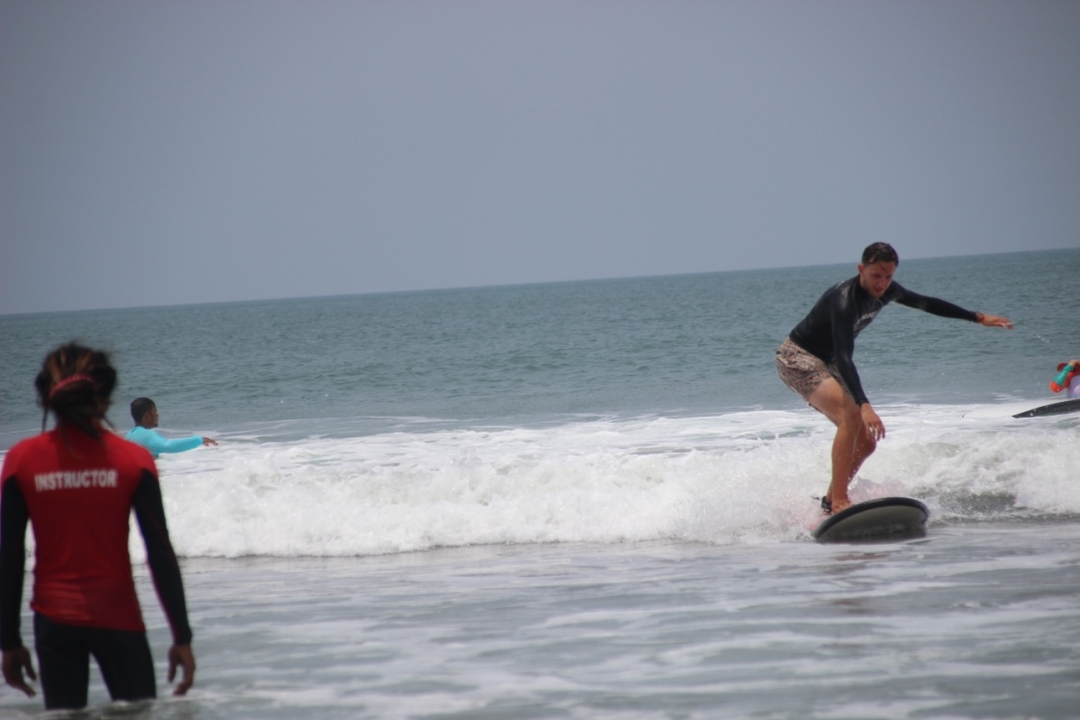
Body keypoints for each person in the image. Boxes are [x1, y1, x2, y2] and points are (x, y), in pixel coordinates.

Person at [1, 343, 196, 710]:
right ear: (105, 398)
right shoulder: (133, 461)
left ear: (46, 397)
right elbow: (160, 553)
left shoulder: (20, 462)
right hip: (119, 618)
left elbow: (8, 559)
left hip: (53, 625)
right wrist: (181, 637)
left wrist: (9, 642)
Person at [775, 242, 1013, 515]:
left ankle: (830, 499)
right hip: (797, 357)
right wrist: (864, 404)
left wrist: (978, 317)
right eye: (876, 275)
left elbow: (927, 304)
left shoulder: (888, 291)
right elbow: (844, 356)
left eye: (888, 276)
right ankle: (840, 501)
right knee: (851, 415)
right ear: (861, 269)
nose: (882, 283)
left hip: (826, 361)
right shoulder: (844, 301)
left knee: (866, 442)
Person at [126, 397, 217, 458]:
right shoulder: (145, 435)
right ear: (147, 416)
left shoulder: (129, 436)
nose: (157, 416)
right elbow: (168, 446)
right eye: (155, 412)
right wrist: (199, 440)